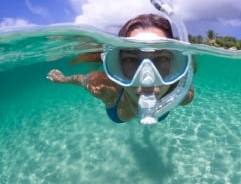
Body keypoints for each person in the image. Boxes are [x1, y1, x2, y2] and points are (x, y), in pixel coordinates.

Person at [47, 14, 194, 123]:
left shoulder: (182, 93)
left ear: (176, 65)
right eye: (130, 59)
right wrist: (63, 79)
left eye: (162, 59)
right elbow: (80, 80)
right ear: (117, 64)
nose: (147, 78)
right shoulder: (105, 88)